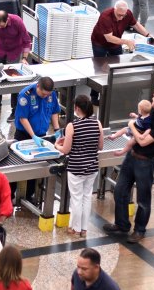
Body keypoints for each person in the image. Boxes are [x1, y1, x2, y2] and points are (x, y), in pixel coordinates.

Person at [103, 86, 154, 244]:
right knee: (120, 190)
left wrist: (131, 125)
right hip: (132, 156)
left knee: (143, 199)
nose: (152, 98)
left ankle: (139, 230)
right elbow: (142, 122)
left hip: (146, 162)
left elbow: (142, 140)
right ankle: (122, 224)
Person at [54, 95, 104, 238]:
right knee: (87, 197)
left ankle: (75, 228)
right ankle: (84, 229)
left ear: (77, 108)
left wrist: (57, 144)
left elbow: (66, 150)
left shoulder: (72, 126)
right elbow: (100, 146)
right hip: (92, 167)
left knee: (76, 199)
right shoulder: (97, 123)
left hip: (76, 168)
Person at [89, 1, 153, 105]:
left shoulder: (127, 14)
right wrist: (126, 42)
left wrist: (148, 35)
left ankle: (113, 91)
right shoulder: (105, 16)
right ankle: (94, 96)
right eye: (119, 15)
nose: (121, 18)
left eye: (123, 15)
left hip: (115, 42)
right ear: (114, 10)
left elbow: (136, 25)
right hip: (99, 43)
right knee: (99, 69)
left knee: (117, 66)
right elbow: (109, 38)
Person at [12, 76, 61, 200]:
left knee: (36, 167)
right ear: (38, 86)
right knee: (17, 167)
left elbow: (54, 111)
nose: (45, 96)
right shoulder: (25, 95)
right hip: (24, 135)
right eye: (43, 94)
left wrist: (56, 129)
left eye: (47, 95)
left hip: (41, 135)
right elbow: (23, 118)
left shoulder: (51, 94)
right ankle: (10, 195)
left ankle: (29, 196)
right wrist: (32, 135)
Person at [0, 10, 30, 120]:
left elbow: (26, 40)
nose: (0, 28)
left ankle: (15, 110)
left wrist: (24, 58)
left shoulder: (17, 21)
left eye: (2, 25)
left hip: (15, 51)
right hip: (1, 49)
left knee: (13, 80)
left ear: (7, 20)